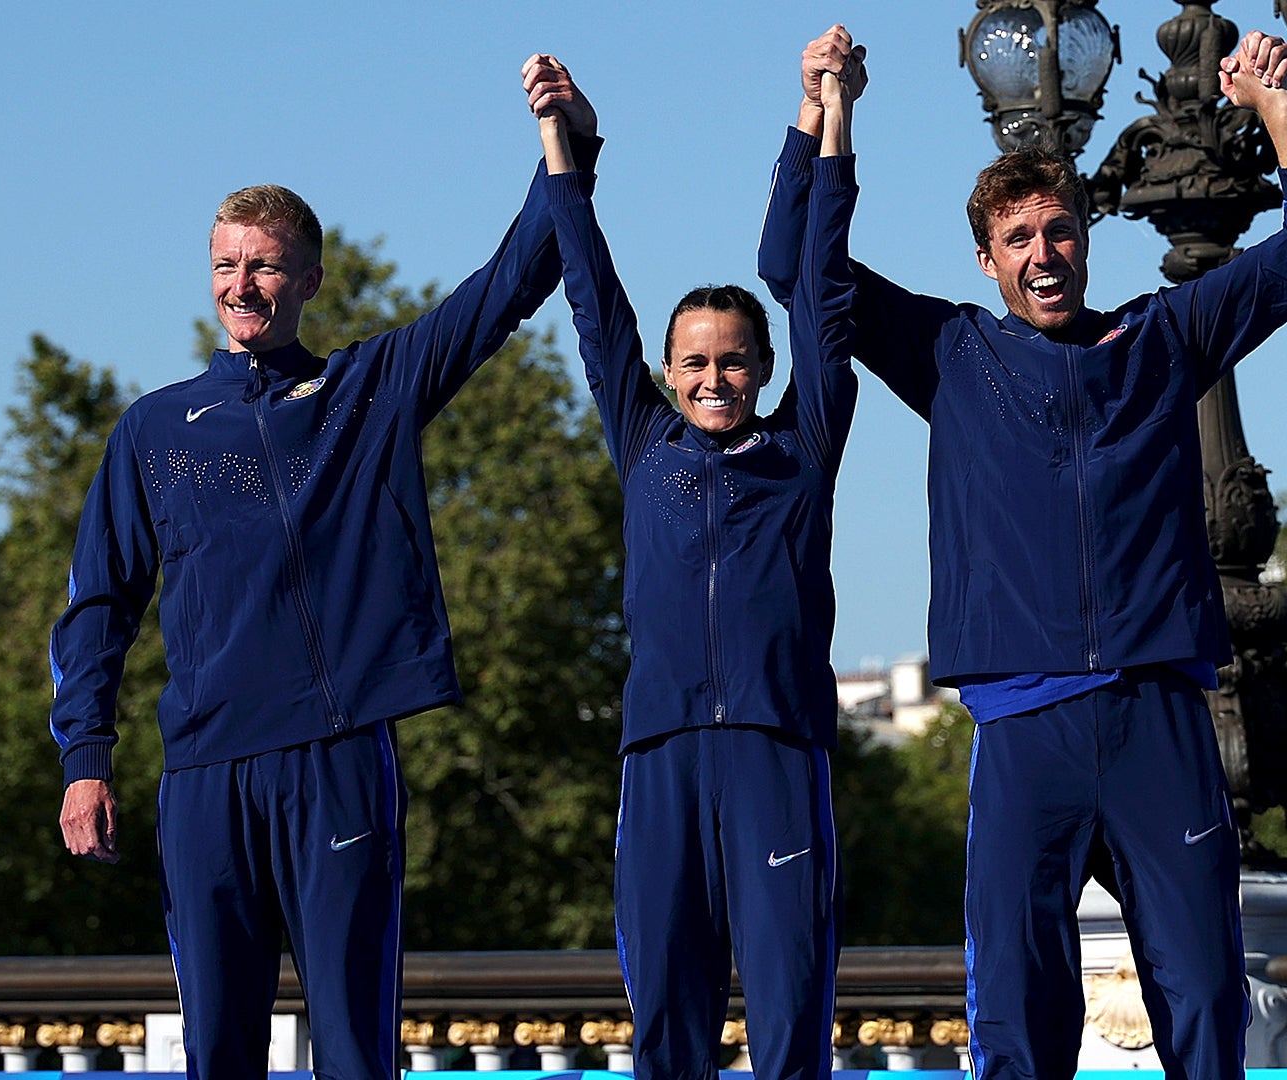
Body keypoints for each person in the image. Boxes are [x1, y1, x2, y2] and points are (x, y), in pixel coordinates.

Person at [762, 29, 1287, 1080]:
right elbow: (791, 268)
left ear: (1087, 239)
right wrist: (825, 114)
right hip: (1022, 723)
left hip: (1156, 718)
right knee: (1017, 1010)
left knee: (1208, 994)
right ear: (987, 259)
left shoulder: (1163, 338)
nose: (1045, 254)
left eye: (1061, 231)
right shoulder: (949, 353)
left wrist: (1277, 112)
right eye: (1021, 238)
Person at [46, 54, 600, 1080]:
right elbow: (97, 607)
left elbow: (512, 282)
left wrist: (568, 145)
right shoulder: (155, 429)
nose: (241, 285)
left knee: (355, 1043)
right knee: (218, 1048)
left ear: (308, 278)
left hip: (338, 755)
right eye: (224, 265)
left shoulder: (368, 388)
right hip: (205, 771)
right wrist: (85, 758)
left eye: (263, 265)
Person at [540, 38, 865, 1080]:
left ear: (763, 370)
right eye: (695, 360)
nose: (714, 376)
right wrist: (559, 148)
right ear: (669, 373)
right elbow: (594, 303)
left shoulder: (803, 442)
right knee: (665, 1023)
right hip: (661, 754)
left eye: (733, 360)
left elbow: (821, 289)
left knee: (788, 1016)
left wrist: (828, 116)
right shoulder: (643, 444)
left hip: (776, 748)